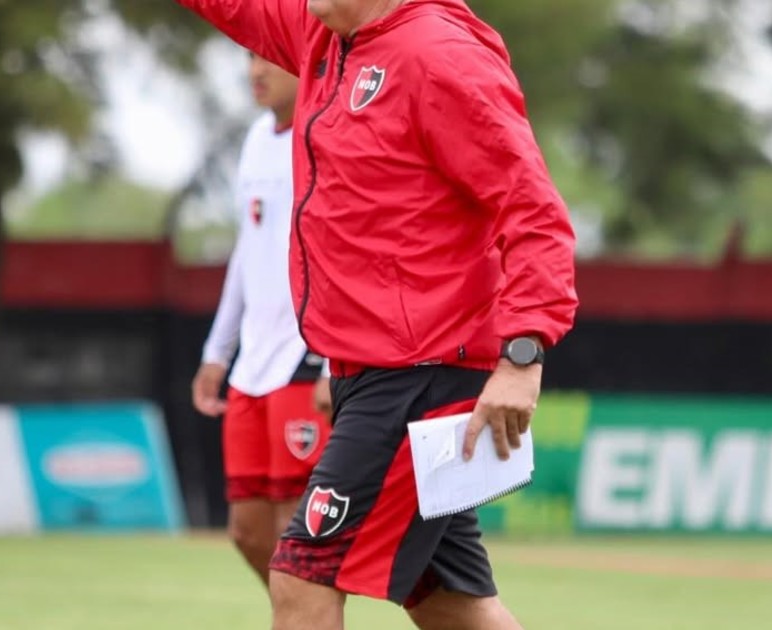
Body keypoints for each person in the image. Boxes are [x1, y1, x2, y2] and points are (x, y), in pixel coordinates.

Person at [177, 1, 579, 629]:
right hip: (371, 372)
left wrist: (523, 354)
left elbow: (534, 212)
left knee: (302, 573)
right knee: (447, 601)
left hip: (420, 374)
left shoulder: (439, 55)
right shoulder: (322, 33)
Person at [191, 53, 333, 593]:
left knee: (297, 528)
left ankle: (308, 617)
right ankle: (300, 617)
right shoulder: (254, 140)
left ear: (305, 60)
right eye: (249, 56)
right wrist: (217, 351)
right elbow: (247, 251)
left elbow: (349, 254)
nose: (256, 70)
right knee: (248, 530)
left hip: (304, 352)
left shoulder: (327, 135)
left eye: (270, 57)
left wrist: (335, 362)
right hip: (252, 362)